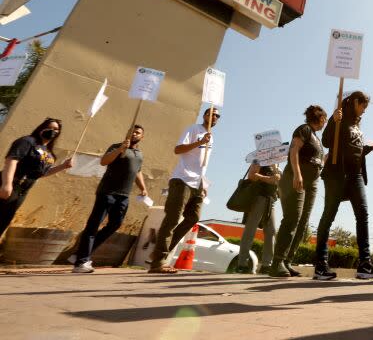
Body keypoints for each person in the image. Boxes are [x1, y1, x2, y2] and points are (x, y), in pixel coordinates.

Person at [313, 91, 373, 280]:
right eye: (363, 106)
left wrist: (371, 147)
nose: (364, 111)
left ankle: (365, 264)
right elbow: (327, 142)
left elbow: (356, 152)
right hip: (336, 174)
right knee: (329, 216)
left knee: (363, 214)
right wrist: (332, 122)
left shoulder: (356, 125)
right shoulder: (340, 119)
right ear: (354, 103)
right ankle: (320, 265)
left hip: (356, 175)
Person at [148, 107, 219, 273]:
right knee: (172, 218)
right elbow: (178, 149)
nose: (214, 117)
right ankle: (158, 261)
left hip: (197, 183)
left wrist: (203, 184)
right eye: (211, 114)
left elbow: (201, 163)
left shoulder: (211, 137)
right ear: (205, 115)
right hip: (182, 179)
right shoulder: (193, 129)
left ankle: (160, 252)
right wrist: (200, 142)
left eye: (217, 115)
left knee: (193, 217)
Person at [72, 125, 148, 273]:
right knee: (94, 225)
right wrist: (120, 149)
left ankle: (81, 253)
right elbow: (104, 161)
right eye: (132, 131)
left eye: (138, 133)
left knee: (115, 224)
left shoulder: (139, 154)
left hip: (124, 196)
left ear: (142, 137)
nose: (134, 134)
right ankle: (81, 262)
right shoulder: (116, 147)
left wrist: (143, 188)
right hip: (107, 192)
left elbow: (137, 171)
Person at [268, 105, 328, 278]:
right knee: (292, 219)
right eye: (324, 119)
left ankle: (287, 261)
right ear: (321, 118)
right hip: (296, 179)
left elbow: (315, 160)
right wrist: (297, 174)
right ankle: (277, 262)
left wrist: (325, 159)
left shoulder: (317, 138)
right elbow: (294, 150)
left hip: (312, 183)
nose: (325, 122)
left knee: (302, 223)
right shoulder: (305, 129)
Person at [0, 118, 74, 237]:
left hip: (22, 192)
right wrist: (6, 184)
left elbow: (42, 173)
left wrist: (63, 166)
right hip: (11, 183)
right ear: (41, 128)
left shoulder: (49, 154)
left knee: (3, 222)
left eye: (56, 129)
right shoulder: (28, 141)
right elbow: (12, 160)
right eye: (49, 127)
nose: (52, 131)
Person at [236, 160, 281, 274]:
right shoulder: (258, 159)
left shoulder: (276, 163)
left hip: (271, 200)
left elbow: (278, 180)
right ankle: (242, 264)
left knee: (271, 232)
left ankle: (266, 265)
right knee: (250, 230)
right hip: (258, 198)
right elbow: (252, 176)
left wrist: (275, 171)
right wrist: (268, 179)